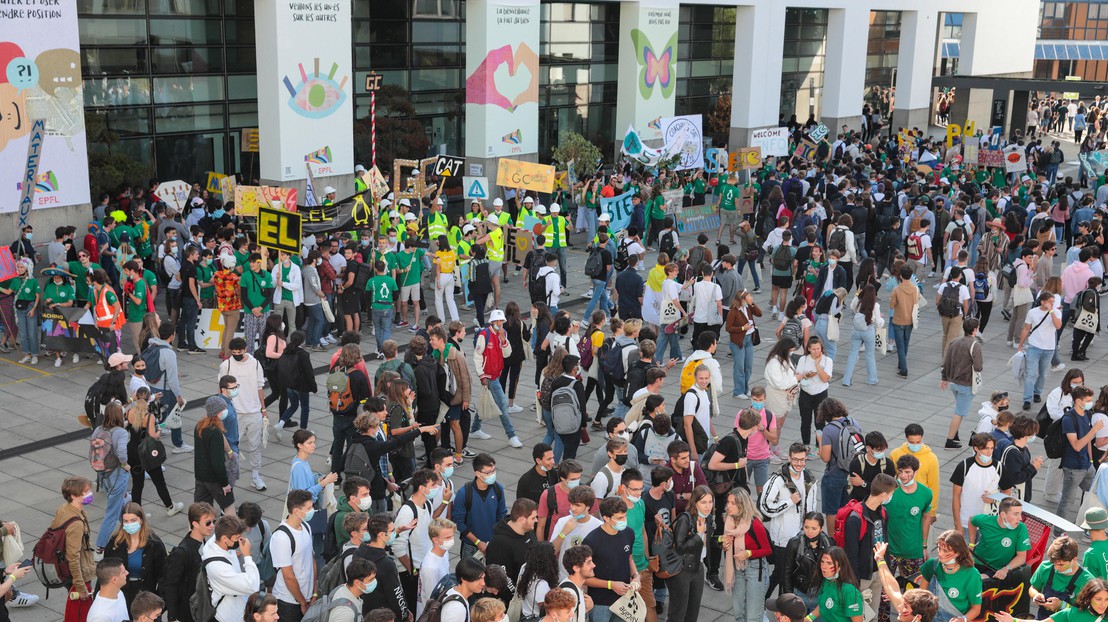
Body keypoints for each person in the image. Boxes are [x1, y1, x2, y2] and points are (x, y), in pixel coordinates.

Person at [217, 337, 268, 491]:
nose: (237, 354)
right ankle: (227, 477)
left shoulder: (255, 364)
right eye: (234, 353)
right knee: (230, 447)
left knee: (255, 445)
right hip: (234, 413)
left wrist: (263, 409)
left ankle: (255, 475)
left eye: (240, 352)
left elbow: (260, 387)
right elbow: (220, 389)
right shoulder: (226, 365)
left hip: (253, 411)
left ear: (245, 349)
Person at [968, 498, 1033, 617]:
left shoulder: (1020, 528)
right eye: (1016, 514)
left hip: (995, 570)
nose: (1020, 518)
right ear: (1003, 514)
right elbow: (972, 520)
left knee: (976, 580)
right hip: (976, 561)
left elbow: (1021, 557)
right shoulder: (985, 520)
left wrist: (1006, 568)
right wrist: (971, 544)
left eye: (1020, 513)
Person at [471, 310, 523, 447]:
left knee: (486, 401)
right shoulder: (484, 335)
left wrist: (503, 340)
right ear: (492, 322)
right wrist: (481, 375)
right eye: (498, 321)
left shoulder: (503, 334)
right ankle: (511, 435)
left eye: (501, 321)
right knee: (503, 404)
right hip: (489, 376)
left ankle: (475, 428)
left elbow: (507, 354)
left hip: (496, 374)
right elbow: (477, 356)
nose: (500, 324)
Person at [103, 502, 167, 608]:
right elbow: (105, 571)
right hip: (120, 595)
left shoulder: (154, 543)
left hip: (145, 596)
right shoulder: (115, 543)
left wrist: (158, 600)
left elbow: (163, 575)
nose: (129, 524)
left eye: (133, 520)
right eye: (126, 521)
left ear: (141, 520)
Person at [722, 487, 772, 622]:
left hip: (756, 569)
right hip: (737, 568)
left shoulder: (754, 524)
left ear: (742, 504)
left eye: (733, 503)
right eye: (728, 502)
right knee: (739, 613)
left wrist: (749, 553)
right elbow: (725, 542)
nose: (728, 506)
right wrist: (724, 546)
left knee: (753, 616)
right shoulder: (729, 521)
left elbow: (768, 549)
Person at [201, 515, 260, 622]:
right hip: (226, 617)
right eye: (237, 538)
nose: (240, 540)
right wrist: (247, 556)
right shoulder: (218, 568)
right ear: (224, 538)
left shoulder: (219, 541)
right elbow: (253, 586)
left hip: (237, 611)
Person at [164, 502, 216, 622]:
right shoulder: (181, 552)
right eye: (208, 523)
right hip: (188, 611)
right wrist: (172, 617)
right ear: (195, 524)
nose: (212, 526)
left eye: (213, 521)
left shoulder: (203, 542)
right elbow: (170, 585)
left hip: (200, 606)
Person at [92, 402, 132, 555]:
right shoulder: (120, 432)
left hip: (103, 474)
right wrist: (125, 464)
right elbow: (122, 452)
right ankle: (100, 548)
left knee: (120, 503)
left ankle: (130, 529)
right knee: (111, 513)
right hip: (117, 474)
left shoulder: (98, 430)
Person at [1057, 385, 1101, 523]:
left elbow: (1087, 442)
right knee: (1067, 502)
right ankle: (1057, 533)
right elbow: (1076, 445)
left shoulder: (1087, 414)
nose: (1090, 403)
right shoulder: (1069, 419)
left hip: (1087, 466)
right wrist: (1094, 431)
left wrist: (1091, 461)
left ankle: (1089, 526)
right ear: (1078, 401)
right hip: (1073, 468)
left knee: (1095, 496)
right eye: (1088, 400)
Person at [355, 514, 410, 622]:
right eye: (392, 531)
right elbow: (396, 595)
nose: (395, 533)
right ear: (381, 535)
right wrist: (405, 614)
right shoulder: (387, 564)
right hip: (386, 616)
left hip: (366, 612)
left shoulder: (358, 553)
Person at [454, 453, 509, 559]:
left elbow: (501, 516)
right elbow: (459, 523)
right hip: (470, 547)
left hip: (493, 544)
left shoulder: (498, 489)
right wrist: (478, 542)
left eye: (494, 470)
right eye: (488, 472)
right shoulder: (464, 493)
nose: (492, 474)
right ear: (478, 474)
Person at [940, 318, 984, 449]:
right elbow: (978, 366)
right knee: (959, 412)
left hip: (953, 382)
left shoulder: (955, 341)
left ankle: (955, 433)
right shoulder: (974, 345)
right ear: (975, 330)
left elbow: (946, 361)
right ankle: (950, 440)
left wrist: (944, 378)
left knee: (959, 408)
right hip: (966, 383)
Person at [1029, 535, 1093, 619]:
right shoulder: (1045, 567)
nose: (1056, 568)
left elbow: (1088, 615)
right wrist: (1036, 595)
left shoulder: (1088, 581)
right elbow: (1033, 588)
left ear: (1074, 559)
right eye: (1054, 563)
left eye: (1061, 564)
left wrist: (1062, 606)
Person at [1019, 291, 1063, 411]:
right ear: (1043, 302)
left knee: (1043, 373)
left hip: (1049, 348)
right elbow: (1026, 328)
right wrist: (1020, 345)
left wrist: (1051, 311)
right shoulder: (1033, 312)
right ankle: (1027, 399)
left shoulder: (1056, 312)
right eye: (1049, 301)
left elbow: (1058, 326)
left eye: (1053, 301)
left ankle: (1037, 392)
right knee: (1030, 374)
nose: (1052, 303)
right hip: (1034, 346)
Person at [890, 424, 940, 528]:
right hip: (900, 501)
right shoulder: (895, 454)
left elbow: (934, 485)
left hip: (921, 503)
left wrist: (932, 511)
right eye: (912, 442)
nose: (915, 445)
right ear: (906, 439)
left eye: (918, 442)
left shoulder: (931, 458)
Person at [193, 396, 235, 516]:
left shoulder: (200, 426)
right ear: (218, 412)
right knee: (229, 510)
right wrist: (225, 483)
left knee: (199, 514)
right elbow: (217, 463)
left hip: (201, 477)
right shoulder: (215, 432)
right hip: (214, 479)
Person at [782, 513, 833, 611]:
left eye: (814, 528)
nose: (809, 531)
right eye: (806, 527)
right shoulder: (795, 543)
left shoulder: (829, 544)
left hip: (821, 594)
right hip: (799, 593)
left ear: (821, 528)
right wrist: (789, 597)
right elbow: (786, 572)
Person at [996, 579, 1108, 622]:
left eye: (1107, 599)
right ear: (1088, 598)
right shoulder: (1073, 613)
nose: (1103, 604)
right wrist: (1013, 620)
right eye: (1098, 599)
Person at [809, 547, 865, 622]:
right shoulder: (826, 581)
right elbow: (823, 604)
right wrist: (808, 618)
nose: (823, 567)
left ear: (840, 566)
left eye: (829, 563)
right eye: (822, 561)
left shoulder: (849, 591)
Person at [276, 330, 317, 432]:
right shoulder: (303, 354)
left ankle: (280, 423)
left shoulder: (287, 350)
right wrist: (314, 387)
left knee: (293, 405)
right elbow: (309, 373)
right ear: (302, 341)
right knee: (305, 407)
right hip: (301, 386)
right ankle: (303, 429)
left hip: (289, 384)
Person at [725, 289, 761, 399]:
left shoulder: (748, 307)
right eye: (748, 297)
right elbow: (728, 328)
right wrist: (742, 328)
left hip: (749, 340)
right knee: (739, 367)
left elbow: (759, 314)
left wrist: (752, 304)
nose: (751, 298)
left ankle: (745, 388)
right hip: (738, 342)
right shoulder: (733, 311)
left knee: (748, 366)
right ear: (742, 299)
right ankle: (738, 391)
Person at [888, 265, 921, 378]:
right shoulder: (915, 289)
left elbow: (892, 305)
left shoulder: (896, 289)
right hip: (910, 320)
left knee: (900, 345)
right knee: (906, 343)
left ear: (901, 275)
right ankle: (901, 363)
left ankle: (904, 368)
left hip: (898, 319)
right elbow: (918, 300)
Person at [326, 557, 377, 622]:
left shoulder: (343, 589)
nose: (374, 581)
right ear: (358, 583)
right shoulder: (345, 613)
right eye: (371, 579)